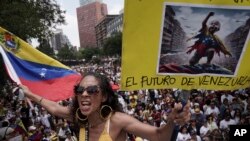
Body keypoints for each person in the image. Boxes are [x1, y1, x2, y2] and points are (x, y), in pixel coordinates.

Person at [20, 72, 190, 141]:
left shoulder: (117, 120)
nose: (84, 94)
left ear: (105, 96)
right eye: (80, 90)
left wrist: (172, 121)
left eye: (92, 90)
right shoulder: (78, 116)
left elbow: (160, 136)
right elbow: (54, 108)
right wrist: (30, 94)